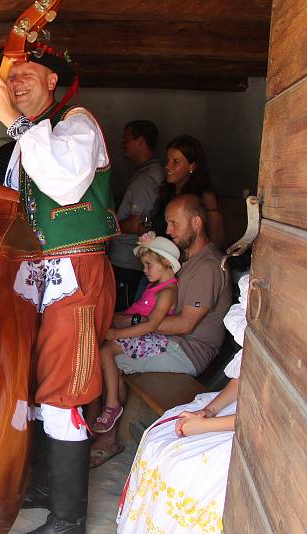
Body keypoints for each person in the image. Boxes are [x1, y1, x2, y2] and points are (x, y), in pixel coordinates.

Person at [0, 43, 119, 534]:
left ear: (53, 81)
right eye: (9, 77)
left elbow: (63, 184)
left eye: (26, 75)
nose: (15, 84)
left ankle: (68, 521)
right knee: (35, 388)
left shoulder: (76, 123)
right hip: (35, 278)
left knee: (63, 393)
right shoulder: (25, 142)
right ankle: (44, 485)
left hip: (76, 276)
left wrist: (12, 123)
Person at [91, 194, 232, 467]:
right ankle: (106, 426)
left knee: (105, 356)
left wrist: (129, 325)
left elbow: (184, 325)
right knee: (107, 350)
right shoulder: (188, 260)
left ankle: (106, 438)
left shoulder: (208, 267)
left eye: (174, 223)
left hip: (187, 350)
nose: (168, 230)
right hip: (168, 342)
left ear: (197, 223)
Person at [116, 274, 249, 533]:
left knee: (182, 468)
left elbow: (265, 420)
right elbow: (243, 376)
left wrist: (204, 427)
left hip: (256, 431)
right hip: (237, 409)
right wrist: (208, 410)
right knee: (159, 438)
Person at [94, 232, 180, 434]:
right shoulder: (155, 286)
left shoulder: (167, 292)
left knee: (106, 351)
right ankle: (111, 400)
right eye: (144, 265)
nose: (145, 269)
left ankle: (112, 405)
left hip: (148, 336)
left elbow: (152, 325)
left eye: (149, 264)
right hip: (136, 331)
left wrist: (117, 334)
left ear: (166, 262)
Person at [110, 120, 165, 310]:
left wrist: (106, 226)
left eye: (127, 139)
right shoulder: (147, 173)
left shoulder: (145, 179)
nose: (123, 144)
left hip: (128, 261)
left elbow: (135, 226)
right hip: (131, 260)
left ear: (141, 141)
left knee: (123, 311)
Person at [153, 135, 226, 249]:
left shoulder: (205, 197)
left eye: (176, 161)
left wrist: (213, 210)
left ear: (192, 166)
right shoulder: (166, 193)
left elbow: (217, 243)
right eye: (168, 160)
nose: (167, 166)